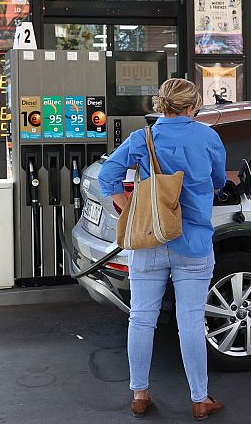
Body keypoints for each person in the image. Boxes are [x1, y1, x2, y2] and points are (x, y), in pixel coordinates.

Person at [98, 78, 226, 420]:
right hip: (193, 241)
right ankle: (199, 399)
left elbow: (107, 173)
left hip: (150, 238)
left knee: (141, 318)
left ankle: (140, 395)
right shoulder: (208, 137)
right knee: (190, 322)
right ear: (193, 104)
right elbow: (217, 181)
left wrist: (123, 205)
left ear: (161, 104)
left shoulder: (143, 138)